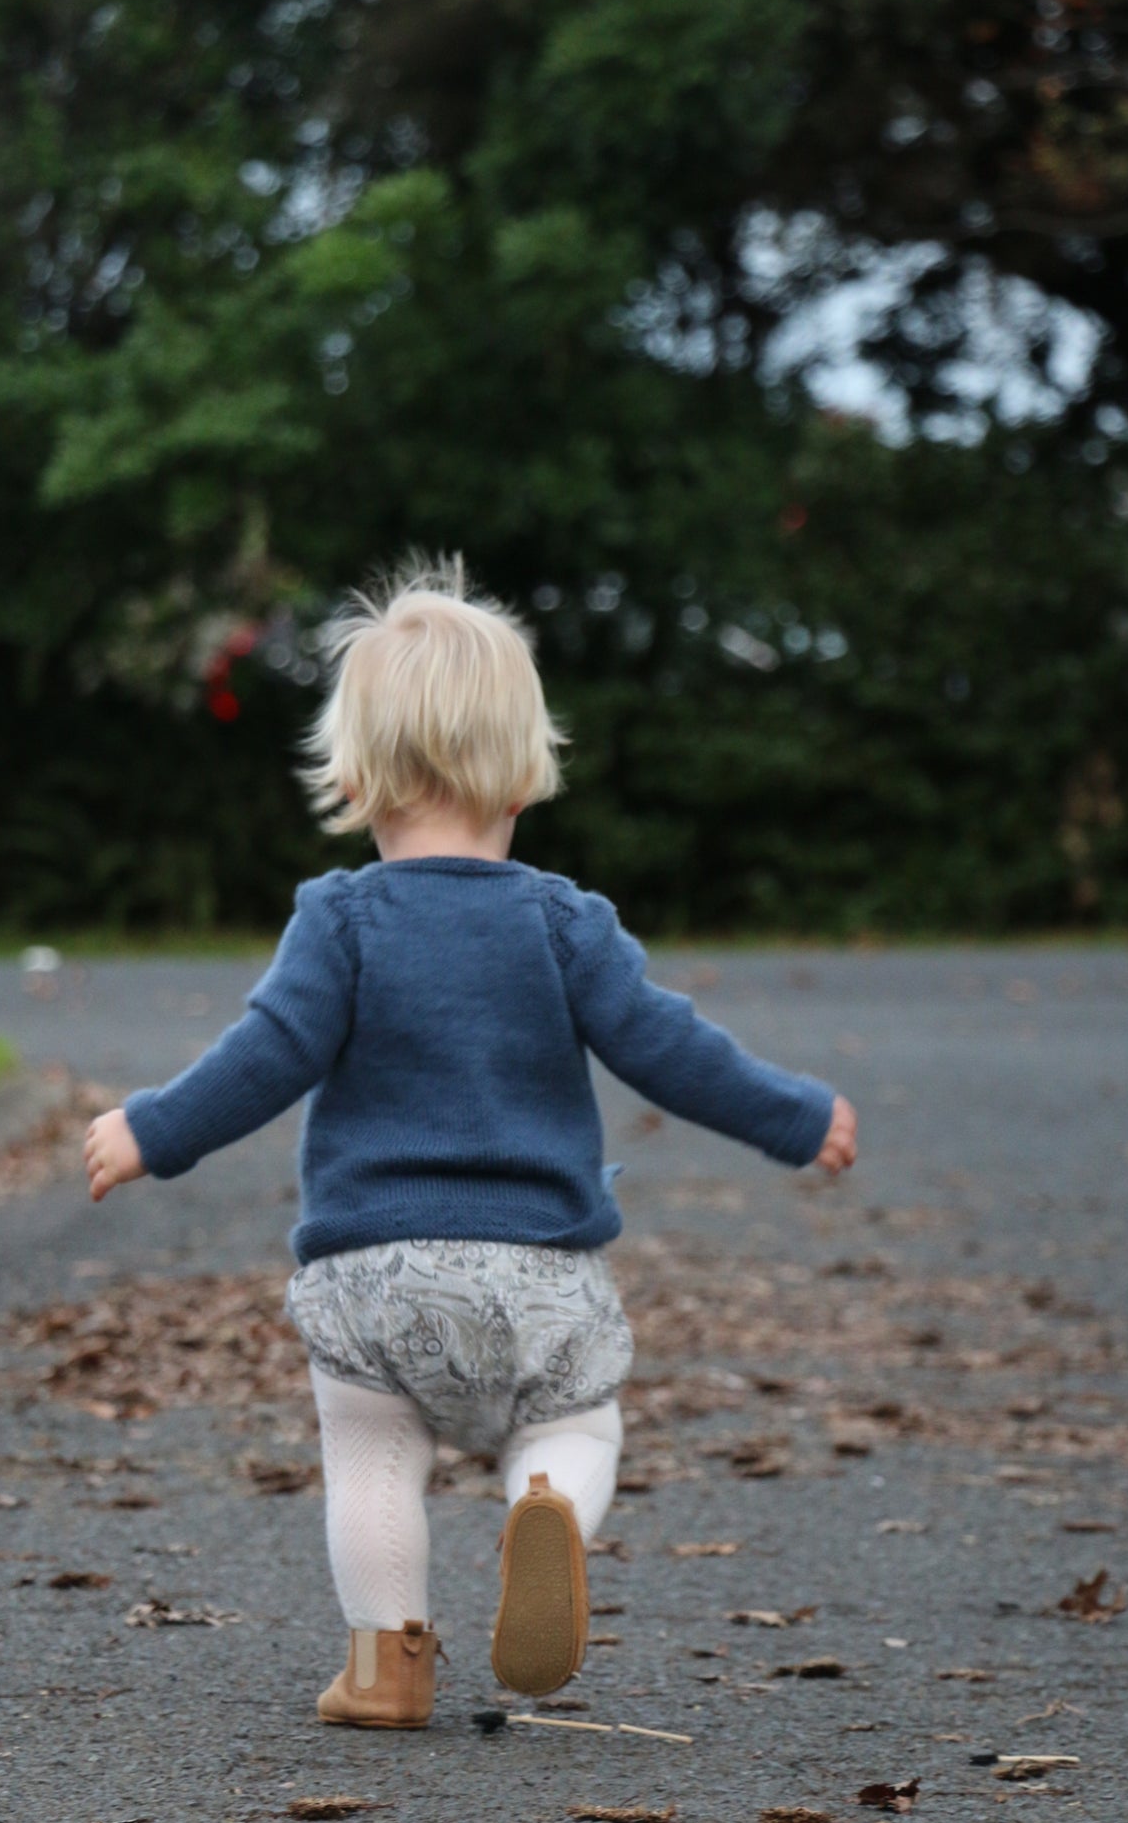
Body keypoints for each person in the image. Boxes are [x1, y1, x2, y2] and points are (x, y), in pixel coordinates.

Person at [82, 557, 857, 1729]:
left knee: (370, 1450)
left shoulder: (337, 918)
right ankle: (542, 1500)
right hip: (541, 1274)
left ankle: (387, 1664)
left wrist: (150, 1129)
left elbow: (264, 1054)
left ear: (352, 769)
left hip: (373, 1277)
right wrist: (793, 1115)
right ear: (525, 767)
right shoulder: (562, 922)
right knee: (577, 1417)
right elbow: (666, 1046)